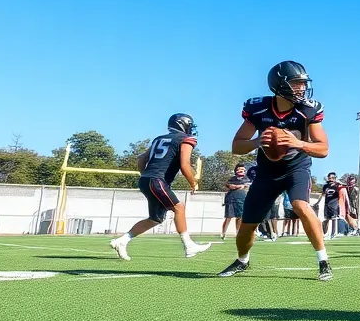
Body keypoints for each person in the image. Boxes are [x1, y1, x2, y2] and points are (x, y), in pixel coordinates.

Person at [217, 61, 332, 281]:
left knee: (300, 205)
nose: (302, 88)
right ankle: (242, 261)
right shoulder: (258, 109)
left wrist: (298, 143)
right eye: (296, 83)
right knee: (247, 226)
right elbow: (237, 145)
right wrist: (258, 141)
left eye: (303, 83)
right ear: (280, 85)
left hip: (296, 168)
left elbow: (323, 148)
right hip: (266, 172)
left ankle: (323, 261)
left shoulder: (308, 110)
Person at [110, 114, 211, 260]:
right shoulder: (185, 139)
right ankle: (189, 246)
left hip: (146, 180)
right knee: (179, 208)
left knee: (155, 219)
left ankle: (122, 241)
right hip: (157, 180)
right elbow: (185, 164)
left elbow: (141, 159)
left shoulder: (159, 139)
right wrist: (193, 182)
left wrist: (146, 175)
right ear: (182, 124)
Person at [222, 164, 249, 240]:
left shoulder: (247, 179)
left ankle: (238, 233)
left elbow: (247, 186)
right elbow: (229, 186)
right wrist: (238, 186)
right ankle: (223, 233)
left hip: (241, 200)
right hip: (231, 199)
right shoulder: (231, 179)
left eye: (243, 169)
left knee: (239, 217)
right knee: (228, 217)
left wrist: (241, 186)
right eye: (239, 169)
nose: (241, 171)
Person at [320, 172, 344, 240]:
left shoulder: (338, 185)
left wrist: (339, 183)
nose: (330, 179)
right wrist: (317, 203)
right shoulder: (326, 186)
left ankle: (333, 233)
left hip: (334, 204)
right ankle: (325, 234)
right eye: (329, 178)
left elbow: (345, 187)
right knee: (326, 219)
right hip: (327, 204)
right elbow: (322, 194)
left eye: (332, 178)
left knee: (334, 219)